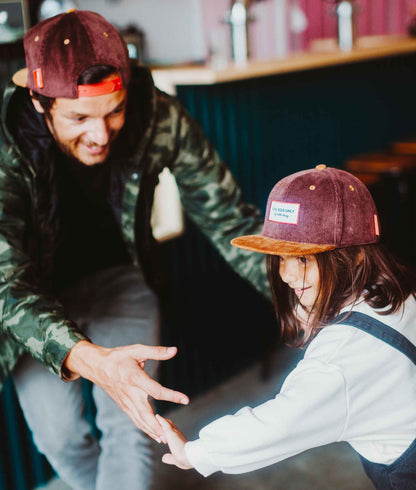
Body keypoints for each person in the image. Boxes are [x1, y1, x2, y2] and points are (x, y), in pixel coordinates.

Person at [0, 9, 269, 490]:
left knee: (130, 424)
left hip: (120, 278)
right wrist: (96, 364)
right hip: (34, 300)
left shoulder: (159, 115)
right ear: (41, 104)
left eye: (114, 112)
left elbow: (229, 217)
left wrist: (315, 298)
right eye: (79, 117)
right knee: (58, 437)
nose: (101, 135)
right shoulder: (5, 143)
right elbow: (6, 282)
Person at [158, 165, 416, 489]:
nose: (286, 275)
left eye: (304, 259)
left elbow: (276, 426)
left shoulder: (336, 364)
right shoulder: (395, 292)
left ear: (357, 257)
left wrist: (195, 453)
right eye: (281, 257)